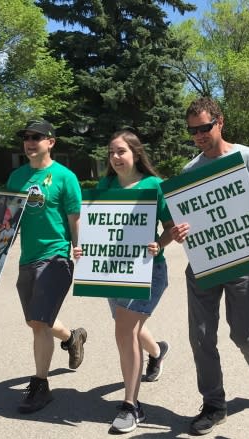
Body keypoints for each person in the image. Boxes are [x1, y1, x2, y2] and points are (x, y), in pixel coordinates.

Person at [169, 97, 249, 436]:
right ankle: (214, 404)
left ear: (220, 122)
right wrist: (178, 232)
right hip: (204, 265)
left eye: (204, 127)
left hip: (244, 262)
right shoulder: (190, 172)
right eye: (192, 131)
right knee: (201, 337)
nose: (199, 136)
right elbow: (184, 223)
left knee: (244, 334)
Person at [72, 130, 175, 434]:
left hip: (148, 271)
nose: (115, 158)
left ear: (135, 153)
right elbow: (94, 226)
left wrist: (160, 243)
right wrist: (82, 247)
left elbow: (170, 227)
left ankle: (131, 406)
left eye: (121, 152)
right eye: (111, 152)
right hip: (111, 271)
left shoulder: (154, 186)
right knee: (128, 326)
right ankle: (157, 352)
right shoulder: (104, 187)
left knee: (124, 329)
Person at [5, 119, 87, 414]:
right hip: (28, 258)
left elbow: (74, 218)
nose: (29, 142)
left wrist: (80, 248)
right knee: (36, 321)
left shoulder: (65, 177)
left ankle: (40, 386)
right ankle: (71, 336)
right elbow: (7, 221)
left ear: (51, 142)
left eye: (36, 137)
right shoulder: (16, 178)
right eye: (26, 137)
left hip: (56, 258)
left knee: (39, 323)